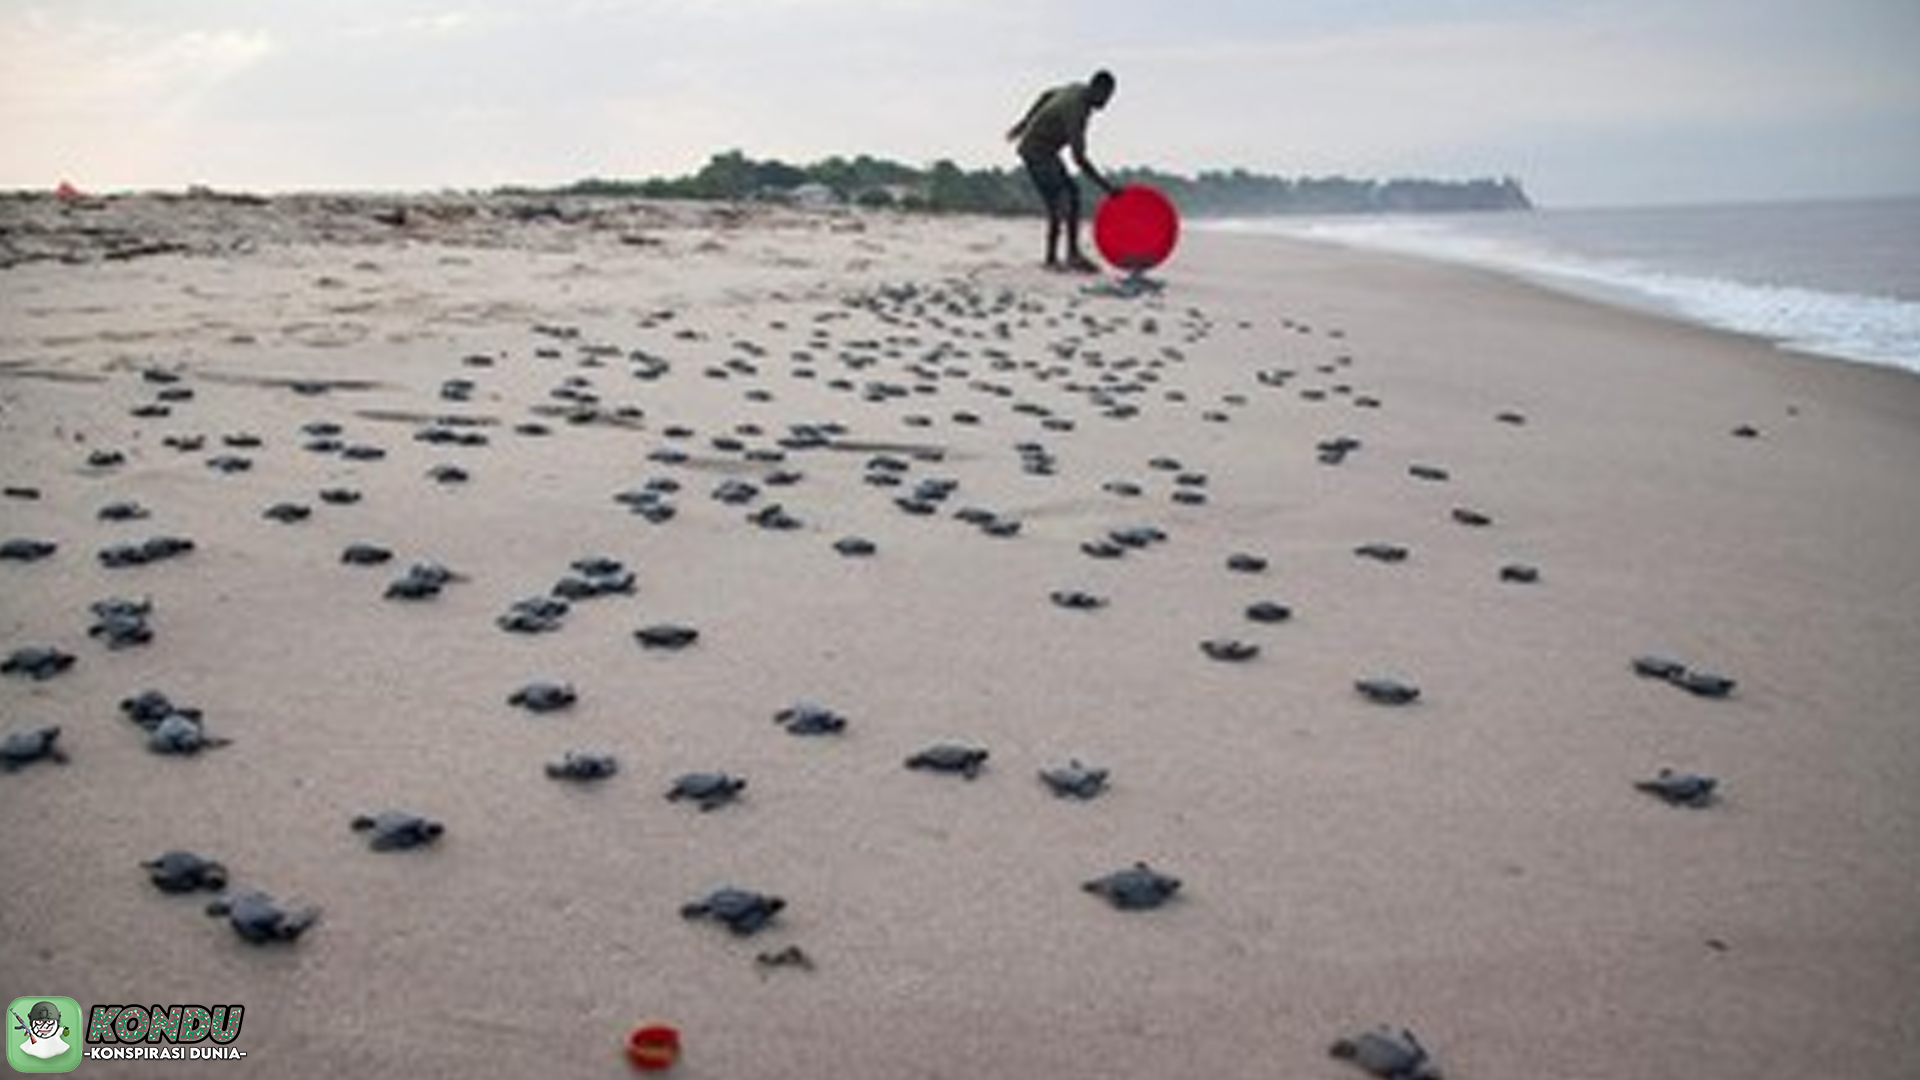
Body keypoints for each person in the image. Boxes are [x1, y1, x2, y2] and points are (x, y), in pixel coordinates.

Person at [1007, 70, 1117, 272]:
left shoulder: (1076, 88)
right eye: (1106, 95)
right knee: (1060, 201)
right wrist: (1107, 188)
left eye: (1110, 97)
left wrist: (1024, 122)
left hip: (1046, 151)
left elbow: (1047, 95)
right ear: (1096, 88)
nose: (1107, 102)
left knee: (1072, 195)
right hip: (1036, 152)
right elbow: (1079, 159)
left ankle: (1068, 255)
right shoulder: (1077, 110)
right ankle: (1057, 259)